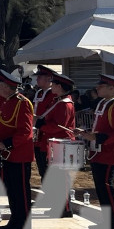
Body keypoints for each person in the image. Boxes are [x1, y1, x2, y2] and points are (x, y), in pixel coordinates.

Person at [77, 74, 114, 229]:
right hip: (98, 152)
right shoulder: (104, 103)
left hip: (109, 153)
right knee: (101, 189)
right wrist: (87, 133)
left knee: (107, 188)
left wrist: (97, 137)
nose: (97, 88)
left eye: (101, 85)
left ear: (112, 88)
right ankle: (108, 222)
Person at [0, 70, 35, 229]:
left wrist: (6, 143)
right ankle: (15, 220)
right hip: (7, 153)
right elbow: (0, 123)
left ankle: (23, 223)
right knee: (11, 190)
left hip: (19, 153)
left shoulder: (22, 103)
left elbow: (26, 131)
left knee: (21, 190)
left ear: (7, 87)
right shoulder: (5, 101)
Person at [39, 72, 77, 217]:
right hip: (55, 143)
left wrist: (42, 126)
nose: (52, 86)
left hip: (62, 143)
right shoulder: (57, 100)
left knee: (62, 177)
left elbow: (59, 126)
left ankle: (65, 208)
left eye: (54, 84)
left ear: (59, 86)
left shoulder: (64, 103)